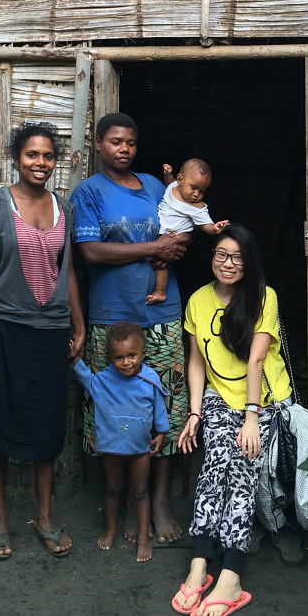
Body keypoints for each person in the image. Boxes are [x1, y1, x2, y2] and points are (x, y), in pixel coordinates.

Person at [0, 123, 85, 560]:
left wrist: (79, 323)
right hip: (3, 330)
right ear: (16, 158)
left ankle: (45, 518)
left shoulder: (63, 207)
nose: (41, 163)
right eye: (32, 155)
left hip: (50, 334)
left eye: (48, 156)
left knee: (46, 426)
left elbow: (68, 270)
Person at [70, 112, 189, 545]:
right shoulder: (88, 193)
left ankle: (158, 502)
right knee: (116, 411)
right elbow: (90, 252)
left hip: (161, 313)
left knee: (164, 407)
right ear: (99, 143)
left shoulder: (155, 187)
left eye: (131, 143)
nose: (125, 149)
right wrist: (154, 246)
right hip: (112, 318)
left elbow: (176, 230)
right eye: (116, 141)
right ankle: (115, 502)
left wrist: (174, 246)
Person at [171, 223, 292, 616]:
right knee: (213, 464)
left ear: (249, 262)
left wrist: (252, 418)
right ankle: (200, 564)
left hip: (264, 401)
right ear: (212, 258)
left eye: (237, 257)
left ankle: (232, 574)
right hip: (219, 399)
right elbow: (195, 361)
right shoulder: (198, 301)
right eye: (222, 254)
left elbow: (256, 360)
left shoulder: (264, 297)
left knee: (240, 463)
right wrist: (194, 413)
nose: (228, 263)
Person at [73, 321, 169, 562]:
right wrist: (74, 358)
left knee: (140, 491)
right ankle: (111, 529)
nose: (126, 362)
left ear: (143, 353)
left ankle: (145, 536)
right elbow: (85, 376)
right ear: (110, 358)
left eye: (132, 355)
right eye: (119, 358)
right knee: (113, 488)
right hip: (112, 450)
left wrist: (161, 433)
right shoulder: (103, 381)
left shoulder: (150, 380)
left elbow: (159, 409)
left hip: (139, 451)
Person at [146, 158, 229, 305]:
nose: (197, 194)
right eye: (194, 188)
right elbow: (170, 183)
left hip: (171, 239)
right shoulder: (173, 188)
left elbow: (205, 224)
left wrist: (214, 228)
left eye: (202, 191)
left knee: (160, 265)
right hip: (159, 235)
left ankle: (160, 292)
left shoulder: (197, 207)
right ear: (179, 179)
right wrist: (167, 174)